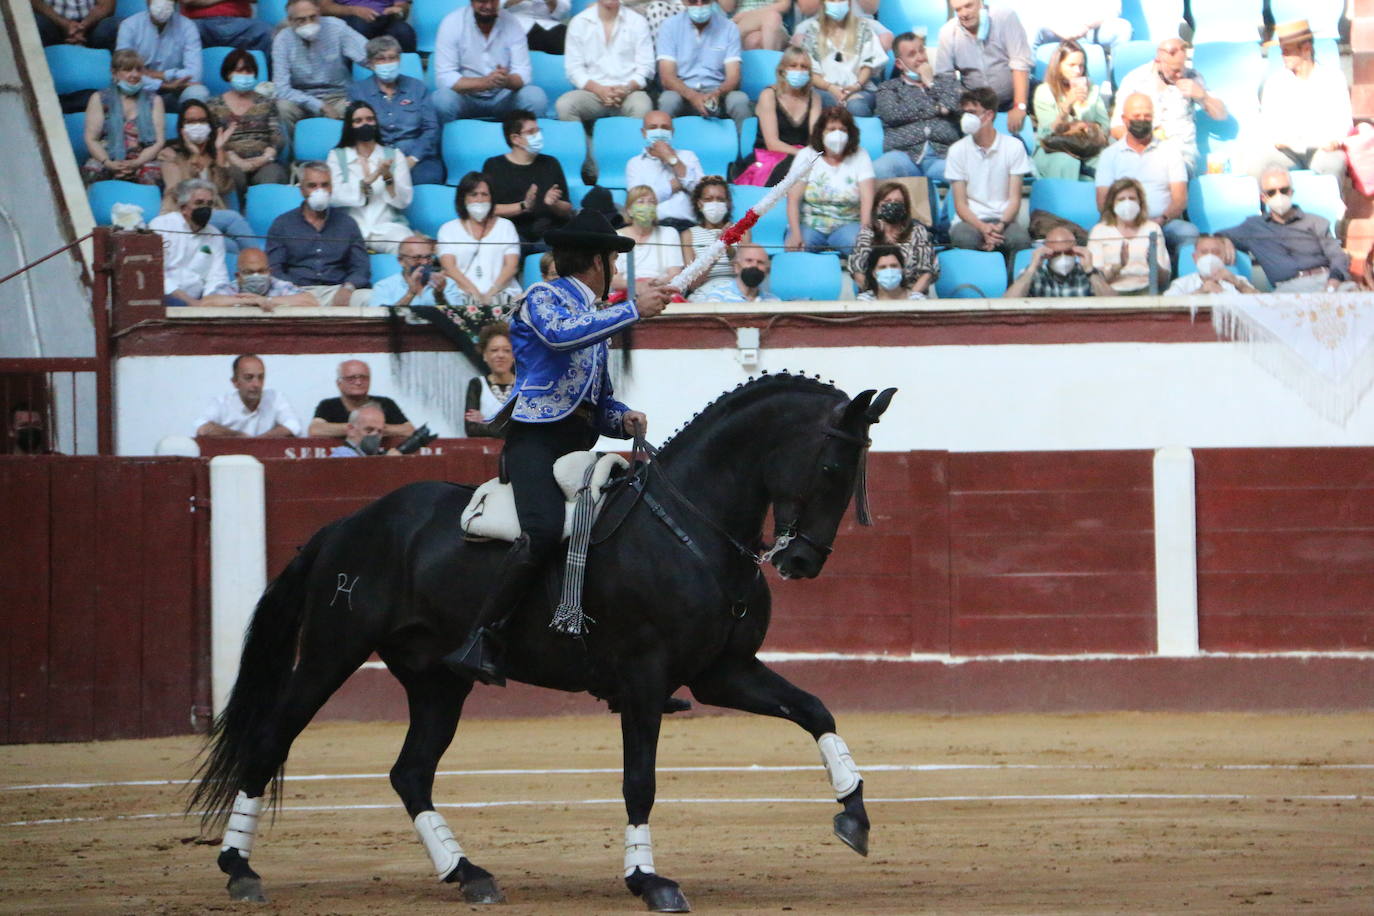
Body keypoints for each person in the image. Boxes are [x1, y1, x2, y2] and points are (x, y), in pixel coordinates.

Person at [440, 208, 670, 685]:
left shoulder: (597, 319)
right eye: (611, 258)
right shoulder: (541, 297)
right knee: (542, 531)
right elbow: (561, 338)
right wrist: (630, 310)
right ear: (600, 260)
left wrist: (622, 418)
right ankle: (482, 635)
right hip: (536, 443)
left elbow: (599, 400)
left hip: (580, 448)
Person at [1219, 167, 1357, 293]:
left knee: (1355, 297)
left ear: (1291, 192)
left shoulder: (1316, 222)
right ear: (1264, 198)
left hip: (1326, 280)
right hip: (1288, 289)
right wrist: (1224, 239)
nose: (1279, 195)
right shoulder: (1253, 227)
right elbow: (1214, 236)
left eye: (1283, 190)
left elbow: (1337, 255)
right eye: (1272, 192)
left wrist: (1332, 284)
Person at [1095, 93, 1198, 254]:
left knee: (1188, 233)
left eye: (1147, 116)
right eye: (1136, 116)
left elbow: (1180, 199)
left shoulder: (1170, 151)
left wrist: (1160, 220)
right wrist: (1127, 224)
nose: (1142, 119)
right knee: (1098, 235)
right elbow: (1103, 202)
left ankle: (1180, 278)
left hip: (1164, 223)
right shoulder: (1109, 155)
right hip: (1121, 224)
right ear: (1124, 120)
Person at [1251, 20, 1352, 180]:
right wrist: (1279, 139)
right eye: (1282, 51)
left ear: (1306, 49)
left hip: (1322, 150)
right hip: (1287, 152)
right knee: (1258, 164)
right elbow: (1268, 126)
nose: (1283, 56)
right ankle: (1271, 203)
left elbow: (1344, 122)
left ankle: (1331, 204)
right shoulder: (1275, 83)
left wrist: (1335, 141)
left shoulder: (1333, 78)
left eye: (1287, 51)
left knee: (1334, 163)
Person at [1111, 37, 1225, 175]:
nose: (1180, 74)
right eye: (1174, 70)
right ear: (1158, 62)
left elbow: (1221, 115)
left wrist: (1203, 96)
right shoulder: (1134, 80)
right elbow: (1116, 127)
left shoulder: (1192, 77)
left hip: (1181, 155)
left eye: (1182, 68)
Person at [266, 162, 371, 307]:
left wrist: (348, 288)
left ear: (332, 188)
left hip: (337, 291)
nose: (319, 191)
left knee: (369, 298)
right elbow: (274, 268)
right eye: (312, 186)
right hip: (296, 292)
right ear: (302, 190)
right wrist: (293, 291)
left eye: (324, 185)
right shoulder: (283, 224)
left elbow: (361, 267)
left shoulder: (347, 223)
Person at [945, 87, 1032, 258]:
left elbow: (1015, 199)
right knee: (964, 238)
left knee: (1020, 241)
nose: (966, 118)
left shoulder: (1013, 147)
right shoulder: (956, 150)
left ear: (989, 115)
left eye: (972, 112)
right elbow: (960, 204)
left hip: (1004, 220)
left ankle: (1012, 284)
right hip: (970, 220)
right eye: (965, 113)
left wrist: (999, 226)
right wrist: (982, 227)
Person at [157, 99, 253, 250]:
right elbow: (178, 191)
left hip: (209, 219)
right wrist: (194, 156)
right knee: (233, 218)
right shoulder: (170, 155)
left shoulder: (214, 155)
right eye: (191, 121)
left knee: (232, 247)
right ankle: (262, 262)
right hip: (181, 215)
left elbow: (223, 188)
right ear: (182, 127)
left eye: (202, 121)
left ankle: (254, 266)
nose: (197, 126)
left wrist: (220, 150)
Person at [430, 0, 547, 123]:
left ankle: (530, 141)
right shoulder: (451, 23)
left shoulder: (512, 23)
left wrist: (506, 80)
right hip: (465, 97)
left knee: (535, 97)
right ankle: (446, 141)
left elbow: (523, 72)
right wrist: (486, 82)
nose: (489, 6)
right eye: (483, 1)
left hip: (503, 96)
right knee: (442, 100)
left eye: (493, 1)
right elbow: (445, 77)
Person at [348, 36, 443, 186]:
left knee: (427, 179)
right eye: (381, 59)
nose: (388, 63)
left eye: (392, 58)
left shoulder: (417, 88)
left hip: (418, 156)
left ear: (399, 59)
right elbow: (355, 131)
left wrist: (413, 158)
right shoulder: (358, 91)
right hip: (376, 157)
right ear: (371, 63)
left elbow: (431, 128)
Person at [872, 31, 962, 181]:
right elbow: (893, 114)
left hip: (943, 155)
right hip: (904, 156)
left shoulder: (947, 83)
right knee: (879, 170)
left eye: (921, 51)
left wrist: (930, 83)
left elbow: (955, 107)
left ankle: (944, 205)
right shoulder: (888, 88)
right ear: (899, 64)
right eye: (912, 54)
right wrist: (937, 109)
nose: (920, 58)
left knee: (970, 174)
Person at [785, 105, 874, 257]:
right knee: (796, 251)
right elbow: (792, 200)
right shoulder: (806, 155)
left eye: (843, 130)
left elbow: (867, 198)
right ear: (821, 133)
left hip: (848, 224)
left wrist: (865, 233)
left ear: (850, 133)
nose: (837, 134)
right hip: (810, 224)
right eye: (831, 129)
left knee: (864, 250)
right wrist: (795, 233)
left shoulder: (861, 155)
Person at [328, 100, 413, 255]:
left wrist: (388, 178)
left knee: (410, 249)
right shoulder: (337, 156)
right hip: (350, 228)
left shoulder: (394, 155)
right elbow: (334, 197)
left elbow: (404, 201)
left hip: (387, 227)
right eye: (358, 121)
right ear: (350, 125)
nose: (365, 124)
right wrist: (365, 184)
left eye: (369, 119)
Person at [271, 0, 369, 134]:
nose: (308, 23)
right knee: (282, 107)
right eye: (301, 20)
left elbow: (368, 55)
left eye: (313, 17)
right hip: (300, 98)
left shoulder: (336, 27)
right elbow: (281, 88)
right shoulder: (282, 39)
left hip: (338, 96)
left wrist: (383, 67)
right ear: (290, 20)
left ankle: (347, 152)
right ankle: (294, 151)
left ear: (320, 13)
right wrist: (319, 105)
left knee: (357, 111)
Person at [481, 109, 573, 250]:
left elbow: (567, 208)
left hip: (548, 232)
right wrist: (524, 206)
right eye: (531, 132)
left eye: (538, 130)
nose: (538, 136)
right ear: (515, 139)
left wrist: (554, 204)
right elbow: (488, 209)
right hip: (512, 233)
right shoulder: (494, 166)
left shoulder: (551, 163)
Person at [934, 0, 1032, 132]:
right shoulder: (947, 32)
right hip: (973, 107)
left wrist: (1019, 106)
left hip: (1011, 101)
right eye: (958, 9)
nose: (964, 14)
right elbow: (944, 78)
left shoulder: (1005, 17)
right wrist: (964, 109)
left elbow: (1020, 63)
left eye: (968, 6)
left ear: (980, 2)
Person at [557, 0, 656, 122]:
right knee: (565, 105)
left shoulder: (637, 21)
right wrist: (599, 90)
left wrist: (626, 89)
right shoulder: (579, 22)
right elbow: (574, 69)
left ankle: (631, 140)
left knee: (642, 107)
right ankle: (584, 140)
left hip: (629, 92)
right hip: (592, 92)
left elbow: (646, 68)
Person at [656, 0, 751, 125]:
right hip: (683, 92)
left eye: (705, 0)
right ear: (684, 2)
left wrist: (717, 94)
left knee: (739, 100)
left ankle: (745, 144)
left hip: (718, 93)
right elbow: (667, 77)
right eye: (693, 1)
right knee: (668, 100)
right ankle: (663, 144)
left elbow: (734, 77)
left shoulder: (729, 28)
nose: (699, 5)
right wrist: (693, 96)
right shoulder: (669, 27)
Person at [80, 50, 166, 186]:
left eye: (138, 70)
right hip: (107, 156)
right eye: (127, 70)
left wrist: (137, 162)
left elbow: (158, 142)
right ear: (114, 73)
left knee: (152, 174)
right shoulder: (99, 99)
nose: (134, 75)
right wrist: (107, 162)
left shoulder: (154, 100)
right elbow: (91, 139)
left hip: (141, 158)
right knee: (93, 171)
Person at [206, 49, 289, 188]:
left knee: (273, 175)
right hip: (230, 161)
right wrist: (235, 160)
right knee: (230, 175)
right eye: (239, 71)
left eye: (249, 71)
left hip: (264, 162)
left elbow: (277, 136)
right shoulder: (213, 105)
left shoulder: (266, 102)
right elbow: (214, 140)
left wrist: (265, 157)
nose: (244, 75)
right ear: (228, 74)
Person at [437, 172, 524, 305]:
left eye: (484, 194)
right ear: (463, 198)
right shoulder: (447, 230)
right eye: (473, 195)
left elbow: (511, 266)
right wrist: (475, 294)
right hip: (462, 296)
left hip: (502, 294)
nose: (479, 199)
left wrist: (491, 294)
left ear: (492, 198)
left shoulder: (506, 226)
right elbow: (449, 268)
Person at [1031, 38, 1110, 181]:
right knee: (1066, 162)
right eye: (1071, 65)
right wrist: (1067, 105)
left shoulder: (1092, 90)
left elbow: (1104, 126)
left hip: (1088, 147)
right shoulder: (1044, 92)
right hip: (1056, 149)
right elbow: (1048, 132)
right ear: (1058, 65)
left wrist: (1087, 127)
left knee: (1107, 160)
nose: (1077, 71)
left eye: (1081, 66)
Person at [743, 47, 822, 186]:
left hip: (802, 156)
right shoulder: (768, 95)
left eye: (804, 67)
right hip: (770, 156)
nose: (799, 70)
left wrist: (809, 156)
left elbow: (815, 137)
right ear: (783, 69)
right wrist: (803, 155)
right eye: (793, 66)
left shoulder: (814, 98)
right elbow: (772, 143)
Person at [791, 0, 885, 117]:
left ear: (849, 3)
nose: (837, 3)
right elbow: (811, 72)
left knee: (855, 106)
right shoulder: (813, 30)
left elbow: (869, 64)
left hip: (860, 89)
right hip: (825, 89)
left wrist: (856, 86)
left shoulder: (863, 28)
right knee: (816, 101)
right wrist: (831, 88)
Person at [115, 0, 209, 108]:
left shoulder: (188, 27)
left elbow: (194, 74)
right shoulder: (129, 26)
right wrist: (165, 85)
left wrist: (157, 74)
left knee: (198, 92)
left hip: (176, 91)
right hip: (140, 89)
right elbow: (123, 71)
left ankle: (187, 123)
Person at [149, 178, 228, 306]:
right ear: (183, 207)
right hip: (166, 297)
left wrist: (209, 301)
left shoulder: (215, 235)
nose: (205, 208)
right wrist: (190, 302)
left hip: (200, 299)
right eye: (199, 203)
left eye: (209, 204)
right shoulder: (161, 225)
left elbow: (217, 275)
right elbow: (156, 273)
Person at [849, 181, 935, 296]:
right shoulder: (867, 234)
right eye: (887, 201)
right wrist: (878, 297)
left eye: (898, 202)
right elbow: (857, 270)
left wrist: (910, 298)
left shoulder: (918, 232)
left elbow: (927, 272)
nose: (892, 205)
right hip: (875, 297)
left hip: (912, 297)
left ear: (905, 207)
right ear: (878, 206)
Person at [624, 111, 705, 231]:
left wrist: (672, 160)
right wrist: (673, 185)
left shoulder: (688, 156)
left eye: (665, 127)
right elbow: (638, 201)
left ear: (672, 132)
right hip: (652, 227)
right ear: (644, 133)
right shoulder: (635, 163)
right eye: (653, 127)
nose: (660, 132)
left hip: (688, 228)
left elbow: (702, 193)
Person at [1087, 177, 1170, 294]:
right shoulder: (1099, 231)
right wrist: (1118, 266)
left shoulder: (1152, 228)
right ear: (1112, 204)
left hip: (1147, 290)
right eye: (1121, 199)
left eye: (1132, 199)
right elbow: (1096, 279)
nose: (1127, 203)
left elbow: (1164, 279)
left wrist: (1153, 265)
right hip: (1111, 292)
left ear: (1140, 202)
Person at [194, 354, 302, 437]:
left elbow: (294, 425)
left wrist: (257, 442)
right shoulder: (221, 403)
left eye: (260, 377)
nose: (256, 384)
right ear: (235, 382)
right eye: (249, 378)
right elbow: (201, 427)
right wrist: (237, 437)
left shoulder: (275, 398)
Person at [309, 359, 413, 438]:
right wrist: (360, 428)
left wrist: (376, 428)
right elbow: (315, 430)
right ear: (339, 383)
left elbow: (409, 430)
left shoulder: (385, 403)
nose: (358, 382)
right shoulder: (328, 405)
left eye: (363, 377)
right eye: (351, 378)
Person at [679, 176, 745, 297]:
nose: (714, 203)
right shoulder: (688, 235)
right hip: (704, 295)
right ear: (699, 203)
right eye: (708, 199)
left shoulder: (741, 231)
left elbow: (746, 274)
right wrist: (717, 249)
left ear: (728, 203)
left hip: (737, 293)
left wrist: (729, 248)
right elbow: (692, 284)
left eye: (720, 199)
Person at [1006, 224, 1113, 297]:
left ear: (1075, 251)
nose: (1063, 257)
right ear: (1047, 253)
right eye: (1056, 253)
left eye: (1068, 252)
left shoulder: (1088, 273)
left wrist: (1089, 270)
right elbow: (1008, 304)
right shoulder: (1035, 274)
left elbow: (1114, 305)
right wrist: (1032, 269)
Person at [199, 246, 318, 310]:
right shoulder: (231, 288)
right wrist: (249, 301)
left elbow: (310, 302)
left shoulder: (279, 285)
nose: (256, 276)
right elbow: (206, 303)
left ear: (270, 272)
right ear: (238, 276)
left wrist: (268, 301)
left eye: (261, 271)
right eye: (249, 272)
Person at [613, 184, 685, 287]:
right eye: (641, 202)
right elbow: (615, 280)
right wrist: (639, 287)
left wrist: (659, 284)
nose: (647, 206)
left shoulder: (669, 233)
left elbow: (675, 274)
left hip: (661, 290)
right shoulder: (617, 236)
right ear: (629, 210)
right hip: (627, 293)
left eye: (651, 202)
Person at [370, 235, 464, 307]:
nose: (424, 262)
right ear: (401, 260)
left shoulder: (447, 284)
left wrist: (439, 296)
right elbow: (384, 321)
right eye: (416, 258)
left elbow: (458, 320)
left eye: (428, 257)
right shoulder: (384, 287)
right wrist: (410, 294)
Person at [1017, 0, 1131, 54]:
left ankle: (1117, 85)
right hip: (1056, 30)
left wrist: (1087, 25)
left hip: (1090, 30)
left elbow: (1113, 9)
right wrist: (1060, 29)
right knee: (1031, 26)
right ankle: (1028, 81)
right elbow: (1036, 10)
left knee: (1123, 28)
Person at [464, 322, 516, 437]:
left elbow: (526, 430)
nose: (500, 355)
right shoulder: (477, 385)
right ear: (484, 355)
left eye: (507, 350)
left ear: (514, 356)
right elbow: (471, 428)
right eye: (494, 350)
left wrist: (486, 422)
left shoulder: (523, 387)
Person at [1163, 234, 1258, 295]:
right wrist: (1200, 292)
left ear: (1224, 257)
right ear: (1195, 257)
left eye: (1216, 252)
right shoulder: (1182, 284)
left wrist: (1238, 284)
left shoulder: (1239, 281)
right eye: (1204, 252)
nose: (1210, 257)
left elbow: (1262, 303)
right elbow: (1166, 307)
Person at [691, 243, 780, 302]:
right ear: (736, 266)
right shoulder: (718, 297)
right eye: (749, 261)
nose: (754, 265)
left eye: (760, 262)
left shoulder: (773, 301)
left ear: (767, 271)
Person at [179, 0, 272, 53]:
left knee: (266, 31)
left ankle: (264, 84)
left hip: (239, 25)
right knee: (180, 32)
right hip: (199, 24)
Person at [321, 0, 416, 52]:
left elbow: (402, 6)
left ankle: (405, 78)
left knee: (404, 32)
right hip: (351, 17)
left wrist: (398, 10)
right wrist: (353, 10)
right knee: (360, 28)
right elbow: (324, 7)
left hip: (385, 16)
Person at [32, 0, 119, 49]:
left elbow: (107, 6)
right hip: (53, 23)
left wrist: (83, 25)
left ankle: (119, 76)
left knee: (116, 26)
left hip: (91, 26)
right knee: (34, 24)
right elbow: (35, 2)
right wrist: (63, 23)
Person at [329, 403, 403, 456]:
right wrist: (386, 463)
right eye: (369, 430)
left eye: (379, 431)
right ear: (351, 430)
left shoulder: (367, 455)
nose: (374, 435)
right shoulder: (342, 455)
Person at [855, 246, 925, 300]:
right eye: (883, 267)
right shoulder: (865, 301)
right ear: (874, 273)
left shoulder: (918, 299)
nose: (889, 271)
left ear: (902, 270)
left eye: (894, 266)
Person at [716, 0, 784, 51]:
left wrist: (751, 13)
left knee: (754, 41)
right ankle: (772, 67)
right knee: (772, 17)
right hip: (743, 22)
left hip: (775, 24)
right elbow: (727, 7)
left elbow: (784, 5)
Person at [505, 0, 570, 54]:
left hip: (549, 24)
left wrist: (551, 2)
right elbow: (497, 5)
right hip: (514, 23)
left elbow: (564, 13)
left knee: (571, 41)